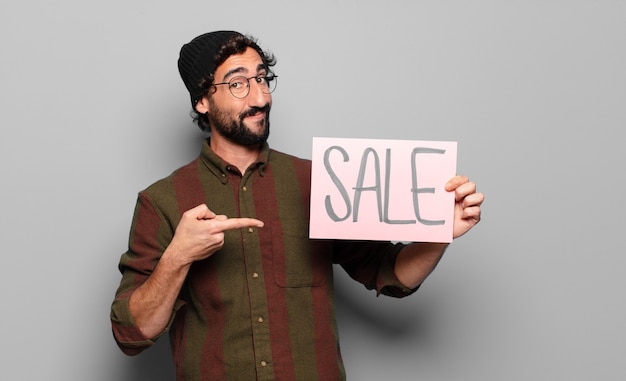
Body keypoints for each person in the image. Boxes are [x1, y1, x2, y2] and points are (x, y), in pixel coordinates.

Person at [110, 30, 484, 381]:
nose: (259, 98)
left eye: (262, 78)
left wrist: (438, 232)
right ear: (202, 100)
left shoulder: (318, 181)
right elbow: (131, 332)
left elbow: (387, 273)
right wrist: (178, 256)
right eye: (238, 83)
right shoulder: (161, 201)